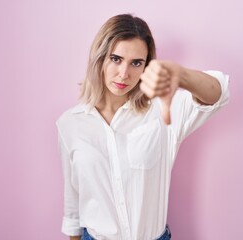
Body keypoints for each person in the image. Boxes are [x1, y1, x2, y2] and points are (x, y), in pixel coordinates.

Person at [56, 14, 229, 240]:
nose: (124, 73)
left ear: (146, 66)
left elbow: (218, 94)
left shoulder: (162, 110)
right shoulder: (70, 124)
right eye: (116, 59)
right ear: (100, 58)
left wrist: (182, 75)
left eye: (136, 63)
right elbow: (73, 206)